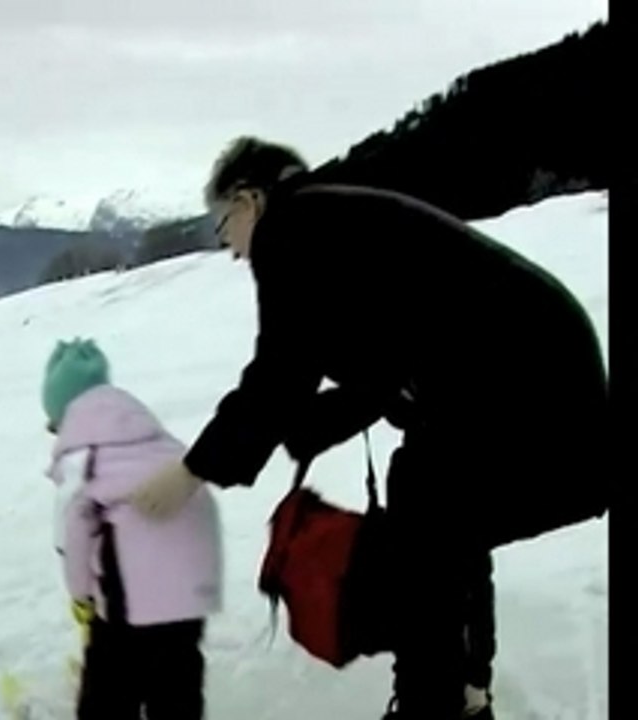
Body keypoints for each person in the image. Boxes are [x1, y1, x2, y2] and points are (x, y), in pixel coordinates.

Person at [130, 137, 608, 719]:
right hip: (547, 391)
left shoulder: (293, 229)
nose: (229, 248)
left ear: (250, 200)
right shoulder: (337, 219)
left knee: (427, 512)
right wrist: (306, 428)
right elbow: (388, 364)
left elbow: (280, 374)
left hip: (536, 398)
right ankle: (462, 693)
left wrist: (190, 473)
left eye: (222, 225)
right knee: (436, 506)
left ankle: (435, 704)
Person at [42, 338, 223, 720]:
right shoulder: (152, 437)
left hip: (131, 599)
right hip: (190, 588)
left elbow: (73, 533)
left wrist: (82, 597)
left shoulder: (82, 456)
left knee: (110, 687)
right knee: (177, 683)